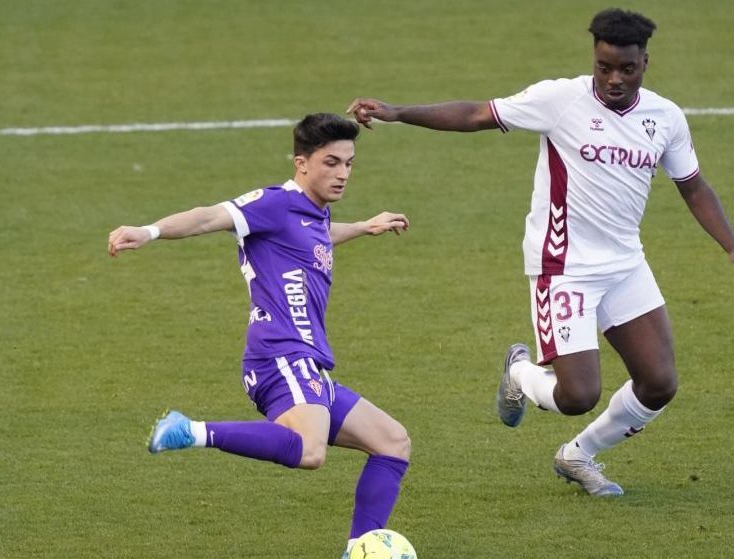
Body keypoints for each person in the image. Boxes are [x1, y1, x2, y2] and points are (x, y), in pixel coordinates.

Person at [347, 8, 734, 497]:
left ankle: (579, 456)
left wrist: (730, 246)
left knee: (659, 383)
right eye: (604, 67)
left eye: (626, 69)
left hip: (624, 264)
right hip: (563, 266)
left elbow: (694, 187)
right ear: (594, 59)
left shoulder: (666, 117)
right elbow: (477, 114)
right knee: (578, 395)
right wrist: (399, 112)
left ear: (645, 63)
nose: (613, 79)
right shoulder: (560, 99)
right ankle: (519, 371)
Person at [108, 113, 412, 555]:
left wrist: (365, 227)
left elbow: (317, 237)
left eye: (349, 163)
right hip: (280, 356)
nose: (343, 173)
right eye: (331, 162)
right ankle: (189, 430)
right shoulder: (275, 203)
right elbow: (209, 217)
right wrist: (148, 231)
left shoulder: (312, 215)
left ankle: (358, 550)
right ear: (301, 163)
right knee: (310, 451)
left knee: (392, 441)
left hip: (308, 362)